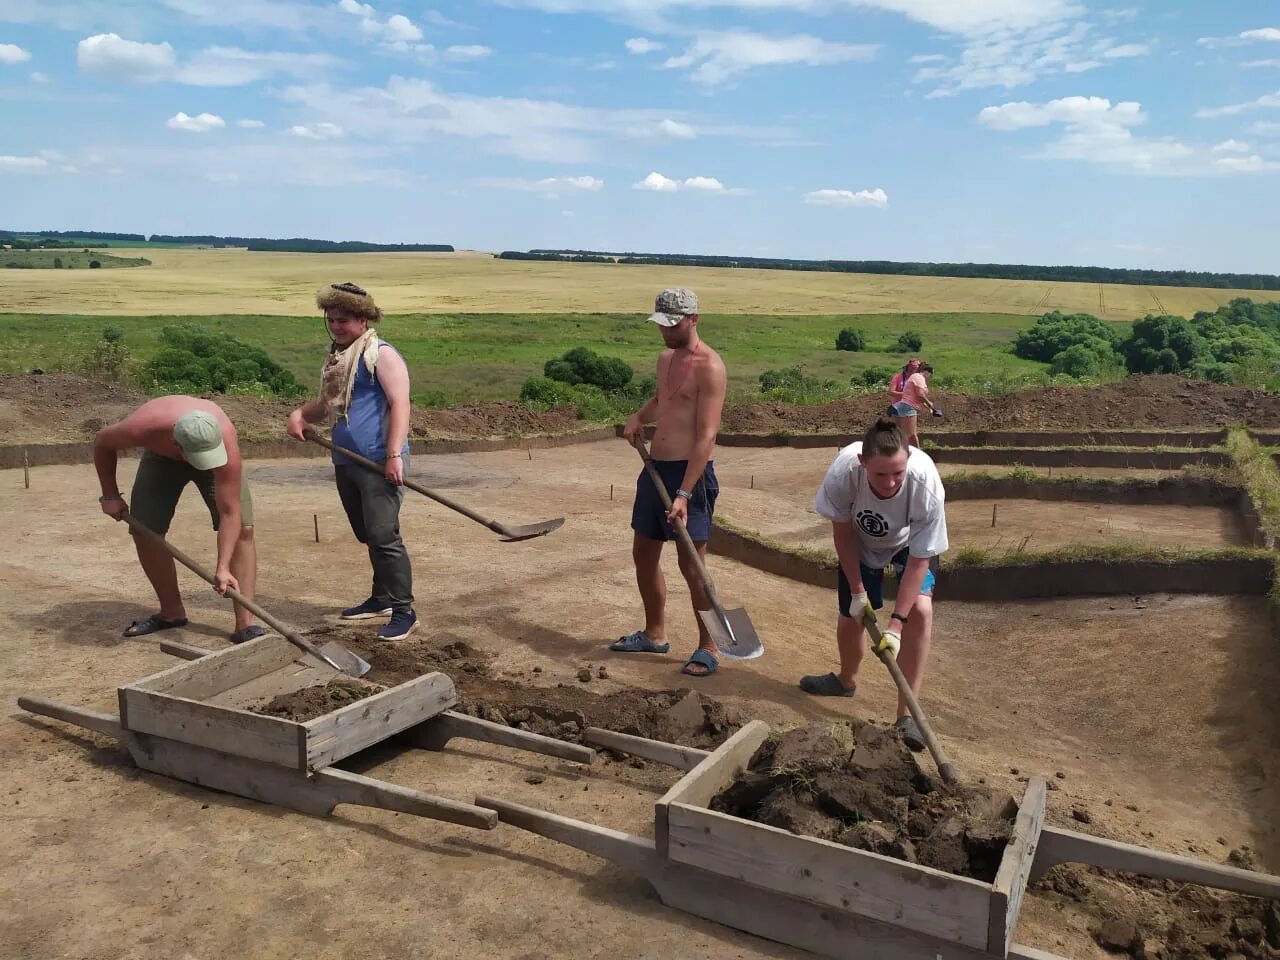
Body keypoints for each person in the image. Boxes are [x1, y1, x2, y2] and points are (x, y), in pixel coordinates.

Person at [799, 417, 949, 752]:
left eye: (897, 472)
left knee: (921, 612)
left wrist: (896, 626)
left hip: (909, 544)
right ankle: (845, 680)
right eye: (880, 474)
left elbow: (920, 560)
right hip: (861, 542)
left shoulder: (925, 484)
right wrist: (857, 591)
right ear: (862, 462)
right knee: (851, 617)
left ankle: (906, 715)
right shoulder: (843, 474)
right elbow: (842, 533)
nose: (890, 482)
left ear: (908, 459)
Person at [287, 281, 417, 641]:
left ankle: (405, 610)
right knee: (368, 534)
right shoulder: (341, 359)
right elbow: (327, 403)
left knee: (383, 535)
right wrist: (300, 414)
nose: (336, 326)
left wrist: (393, 455)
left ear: (362, 319)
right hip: (346, 461)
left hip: (378, 460)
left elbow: (400, 404)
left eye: (343, 320)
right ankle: (381, 598)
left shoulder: (381, 354)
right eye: (331, 320)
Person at [612, 287, 728, 677]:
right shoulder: (665, 360)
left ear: (694, 319)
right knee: (643, 553)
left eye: (672, 324)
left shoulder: (710, 367)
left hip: (689, 475)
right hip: (655, 469)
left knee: (691, 564)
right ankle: (654, 633)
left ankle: (709, 646)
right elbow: (663, 401)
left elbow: (706, 436)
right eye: (660, 324)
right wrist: (638, 417)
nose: (665, 332)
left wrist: (685, 492)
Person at [93, 397, 263, 642]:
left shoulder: (225, 440)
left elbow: (230, 512)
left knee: (243, 530)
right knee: (145, 529)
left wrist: (223, 567)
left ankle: (245, 624)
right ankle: (171, 612)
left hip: (218, 454)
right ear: (175, 442)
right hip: (163, 458)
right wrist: (109, 495)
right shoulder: (141, 427)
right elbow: (102, 443)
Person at [888, 361, 940, 448]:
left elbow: (916, 397)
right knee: (910, 435)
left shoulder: (915, 377)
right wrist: (930, 405)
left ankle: (914, 453)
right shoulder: (919, 377)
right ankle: (905, 453)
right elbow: (920, 395)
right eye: (931, 375)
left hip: (903, 406)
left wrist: (929, 407)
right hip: (908, 407)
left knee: (909, 434)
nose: (930, 378)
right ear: (926, 372)